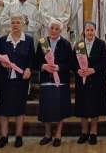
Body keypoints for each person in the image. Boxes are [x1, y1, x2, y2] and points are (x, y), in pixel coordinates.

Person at [0, 15, 35, 149]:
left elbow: (31, 58)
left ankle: (18, 136)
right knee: (3, 108)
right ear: (10, 24)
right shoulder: (2, 40)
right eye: (13, 22)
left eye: (18, 22)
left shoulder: (28, 40)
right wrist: (0, 63)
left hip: (21, 80)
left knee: (19, 109)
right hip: (4, 80)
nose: (15, 25)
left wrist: (29, 69)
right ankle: (4, 137)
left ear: (23, 24)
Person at [35, 19, 73, 147]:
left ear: (60, 31)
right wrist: (43, 66)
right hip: (46, 81)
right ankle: (47, 134)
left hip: (60, 82)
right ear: (48, 29)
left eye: (57, 29)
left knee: (60, 110)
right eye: (52, 28)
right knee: (46, 110)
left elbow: (71, 64)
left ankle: (58, 134)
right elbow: (35, 62)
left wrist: (59, 67)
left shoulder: (66, 44)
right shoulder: (42, 43)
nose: (54, 31)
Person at [73, 22, 106, 145]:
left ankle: (93, 133)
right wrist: (77, 70)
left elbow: (105, 61)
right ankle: (84, 132)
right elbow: (73, 62)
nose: (89, 32)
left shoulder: (100, 44)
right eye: (87, 30)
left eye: (91, 30)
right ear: (84, 31)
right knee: (82, 107)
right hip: (82, 80)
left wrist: (93, 70)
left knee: (95, 108)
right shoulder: (78, 44)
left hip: (96, 80)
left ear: (95, 31)